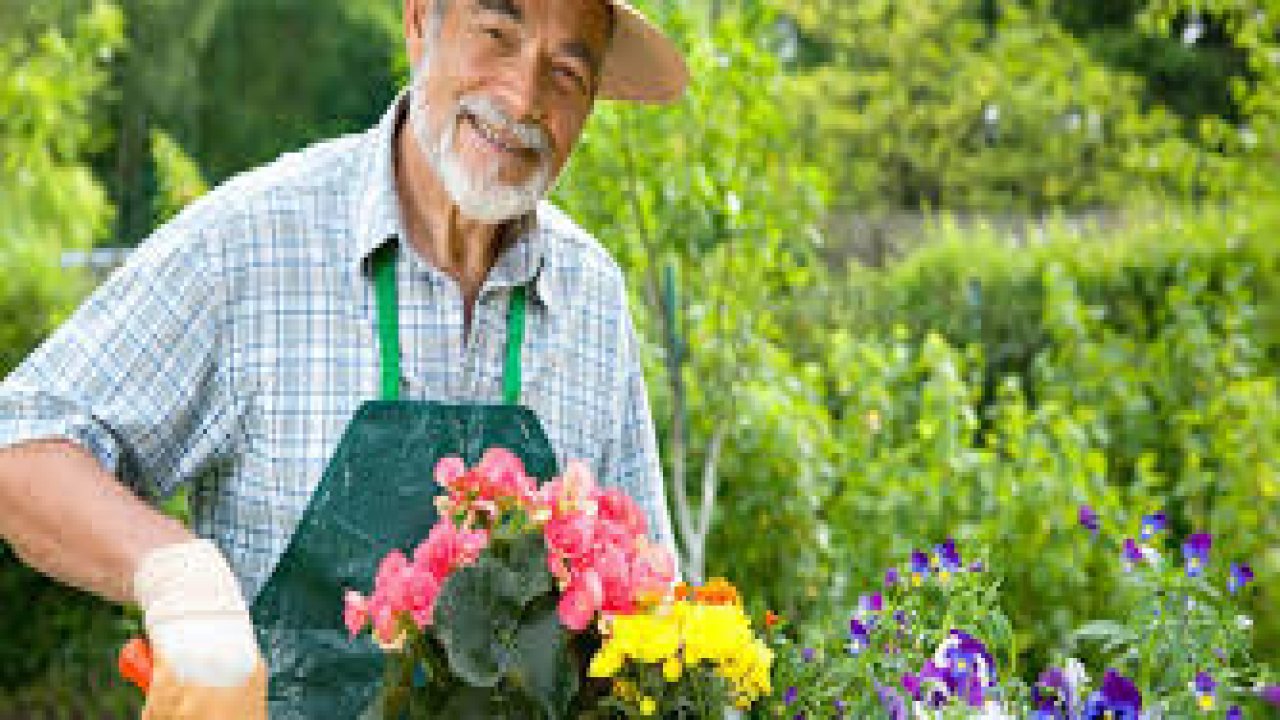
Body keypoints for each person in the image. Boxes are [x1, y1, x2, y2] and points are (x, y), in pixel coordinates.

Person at [0, 0, 686, 716]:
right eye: (496, 36)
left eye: (566, 72)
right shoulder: (253, 244)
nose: (521, 98)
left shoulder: (592, 297)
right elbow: (21, 445)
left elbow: (651, 608)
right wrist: (179, 577)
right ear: (421, 22)